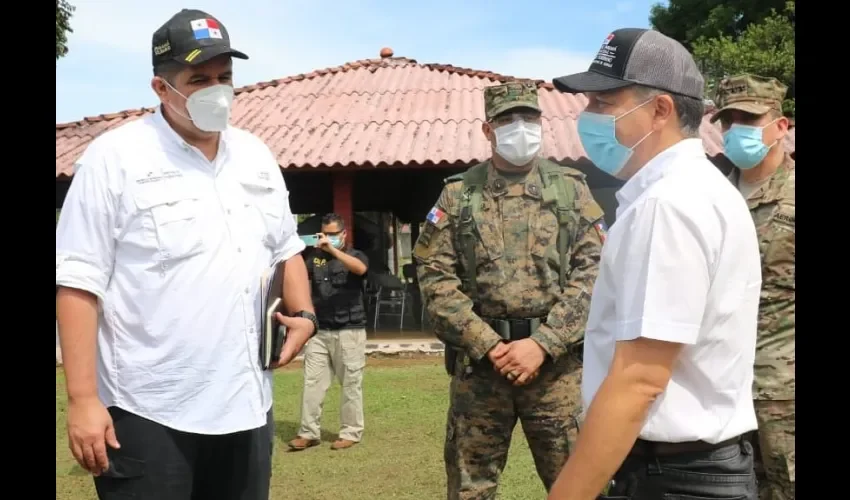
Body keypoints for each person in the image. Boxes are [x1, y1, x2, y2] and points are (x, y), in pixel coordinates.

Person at [55, 9, 319, 500]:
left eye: (225, 77)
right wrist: (83, 399)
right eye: (199, 79)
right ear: (161, 88)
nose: (217, 90)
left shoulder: (256, 156)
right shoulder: (114, 159)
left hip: (247, 405)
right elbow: (77, 283)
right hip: (147, 412)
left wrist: (302, 312)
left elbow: (286, 249)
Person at [547, 28, 762, 500]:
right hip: (690, 469)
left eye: (604, 103)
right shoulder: (698, 190)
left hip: (677, 477)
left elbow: (639, 378)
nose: (589, 118)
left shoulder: (667, 205)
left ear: (661, 109)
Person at [414, 81, 605, 499]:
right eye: (507, 119)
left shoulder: (571, 189)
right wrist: (488, 343)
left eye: (529, 118)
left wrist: (544, 343)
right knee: (470, 489)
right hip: (481, 372)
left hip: (556, 372)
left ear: (542, 123)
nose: (520, 128)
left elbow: (595, 273)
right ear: (488, 129)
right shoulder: (459, 194)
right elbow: (433, 275)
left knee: (577, 487)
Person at [711, 74, 795, 500]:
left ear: (781, 126)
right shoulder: (709, 194)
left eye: (749, 117)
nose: (736, 129)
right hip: (718, 387)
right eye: (729, 120)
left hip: (784, 392)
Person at [288, 213, 370, 451]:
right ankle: (308, 432)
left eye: (334, 234)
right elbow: (300, 281)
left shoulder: (355, 255)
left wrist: (333, 250)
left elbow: (360, 269)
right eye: (326, 234)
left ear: (344, 234)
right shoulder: (315, 258)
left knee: (351, 384)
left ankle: (351, 432)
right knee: (312, 383)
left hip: (349, 331)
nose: (329, 238)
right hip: (320, 331)